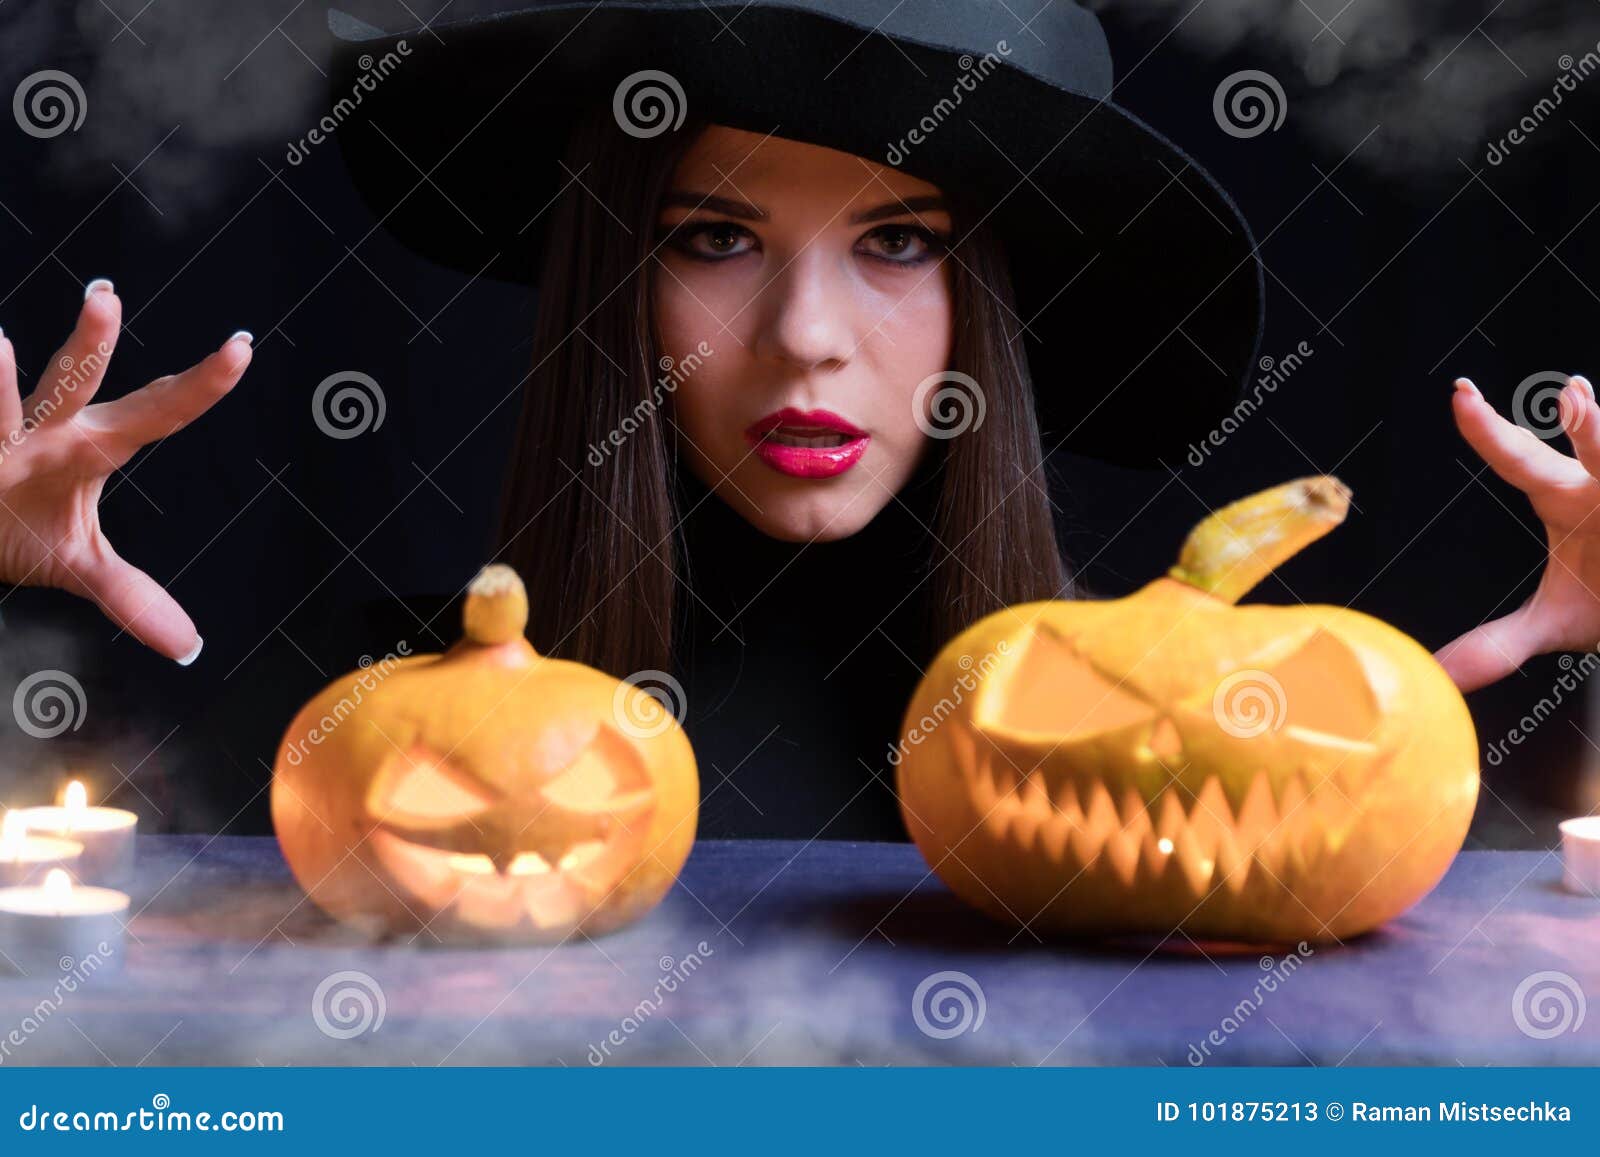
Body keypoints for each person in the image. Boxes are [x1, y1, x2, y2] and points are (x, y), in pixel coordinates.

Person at [0, 0, 1595, 839]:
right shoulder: (381, 739)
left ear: (993, 297)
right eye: (714, 239)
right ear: (614, 276)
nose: (807, 339)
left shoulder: (1170, 761)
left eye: (897, 243)